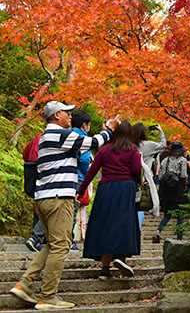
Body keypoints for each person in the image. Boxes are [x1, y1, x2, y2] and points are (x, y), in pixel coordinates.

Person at [9, 101, 118, 310]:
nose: (70, 115)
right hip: (59, 198)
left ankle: (25, 283)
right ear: (56, 115)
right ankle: (48, 296)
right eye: (67, 112)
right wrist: (110, 129)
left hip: (44, 197)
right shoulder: (59, 134)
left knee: (52, 244)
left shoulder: (48, 137)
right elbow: (93, 143)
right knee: (61, 245)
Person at [76, 121, 142, 280]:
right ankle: (121, 258)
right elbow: (136, 170)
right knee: (123, 222)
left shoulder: (104, 150)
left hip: (106, 189)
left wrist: (81, 190)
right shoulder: (132, 151)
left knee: (106, 224)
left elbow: (92, 171)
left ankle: (105, 269)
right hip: (126, 188)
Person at [153, 140, 190, 243]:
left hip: (165, 190)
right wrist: (186, 184)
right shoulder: (182, 160)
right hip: (177, 190)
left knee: (167, 214)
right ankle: (179, 238)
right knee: (180, 214)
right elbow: (183, 175)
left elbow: (160, 176)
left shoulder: (165, 160)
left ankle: (158, 231)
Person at [132, 123, 165, 226]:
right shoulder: (148, 145)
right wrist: (161, 131)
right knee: (140, 204)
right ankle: (139, 228)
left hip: (130, 177)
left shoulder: (129, 145)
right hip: (144, 178)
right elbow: (163, 145)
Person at [70, 112, 92, 250]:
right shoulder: (84, 138)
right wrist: (86, 174)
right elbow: (84, 160)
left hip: (65, 177)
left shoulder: (67, 134)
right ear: (84, 125)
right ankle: (69, 240)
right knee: (72, 210)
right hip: (78, 178)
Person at [23, 133, 45, 253]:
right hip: (41, 169)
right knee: (44, 204)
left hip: (31, 168)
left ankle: (38, 237)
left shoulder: (37, 137)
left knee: (38, 202)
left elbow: (26, 152)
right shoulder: (52, 137)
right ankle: (37, 237)